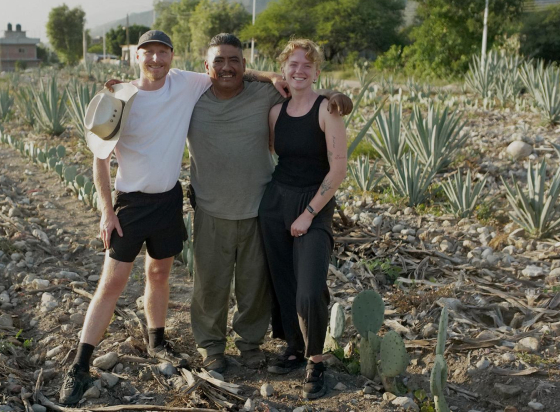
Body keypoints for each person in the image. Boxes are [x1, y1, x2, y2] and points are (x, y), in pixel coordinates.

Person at [59, 30, 286, 405]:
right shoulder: (119, 97)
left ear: (171, 57)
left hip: (168, 200)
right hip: (130, 203)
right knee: (112, 283)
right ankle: (79, 366)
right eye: (148, 54)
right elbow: (99, 157)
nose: (155, 60)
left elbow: (232, 71)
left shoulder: (186, 82)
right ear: (136, 57)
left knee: (160, 273)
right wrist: (106, 212)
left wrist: (273, 77)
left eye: (162, 53)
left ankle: (157, 340)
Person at [187, 34, 352, 374]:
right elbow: (155, 83)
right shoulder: (193, 96)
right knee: (216, 285)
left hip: (266, 205)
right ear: (206, 67)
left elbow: (304, 93)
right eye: (218, 61)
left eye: (235, 60)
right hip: (229, 206)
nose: (227, 67)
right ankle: (218, 349)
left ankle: (258, 347)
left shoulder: (268, 95)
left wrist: (337, 96)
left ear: (246, 66)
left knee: (257, 288)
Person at [258, 39, 348, 399]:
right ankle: (293, 348)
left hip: (315, 201)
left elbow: (339, 168)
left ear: (317, 72)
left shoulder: (329, 109)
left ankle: (315, 359)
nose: (299, 70)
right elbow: (273, 152)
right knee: (283, 280)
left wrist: (309, 213)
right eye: (293, 64)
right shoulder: (275, 113)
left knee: (310, 287)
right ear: (283, 69)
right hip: (276, 201)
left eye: (306, 66)